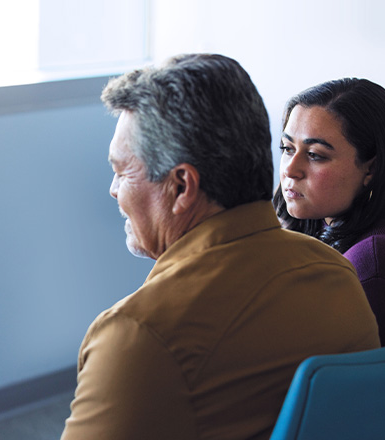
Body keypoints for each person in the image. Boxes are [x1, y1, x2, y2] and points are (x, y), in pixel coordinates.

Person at [60, 54, 380, 440]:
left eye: (121, 171)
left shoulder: (138, 335)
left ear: (181, 187)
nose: (113, 190)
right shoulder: (338, 276)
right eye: (287, 148)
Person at [274, 78, 385, 346]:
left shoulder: (369, 261)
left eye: (315, 155)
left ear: (370, 169)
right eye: (288, 149)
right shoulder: (321, 225)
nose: (291, 169)